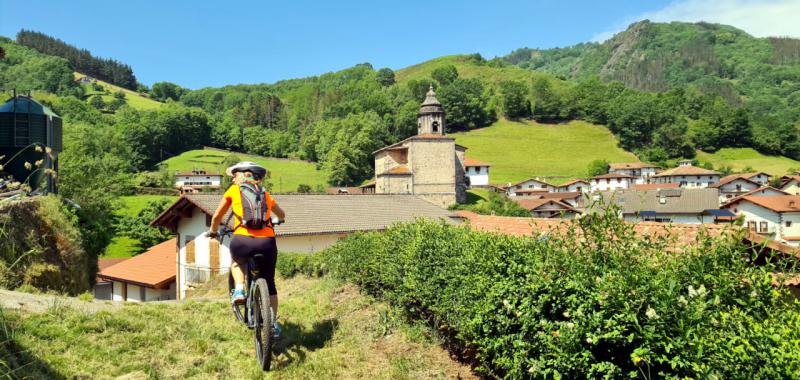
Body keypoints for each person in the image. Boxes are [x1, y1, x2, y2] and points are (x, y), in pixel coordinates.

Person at [208, 161, 285, 336]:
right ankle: (272, 323)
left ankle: (240, 289)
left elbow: (217, 216)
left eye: (234, 176)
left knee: (236, 262)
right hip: (267, 242)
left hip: (242, 240)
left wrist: (213, 232)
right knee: (270, 283)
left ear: (241, 175)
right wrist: (277, 220)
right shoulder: (265, 193)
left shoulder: (234, 191)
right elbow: (281, 214)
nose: (233, 179)